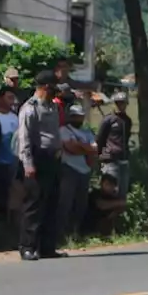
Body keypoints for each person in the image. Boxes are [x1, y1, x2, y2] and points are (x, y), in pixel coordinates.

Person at [15, 70, 63, 261]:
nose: (55, 93)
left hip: (53, 159)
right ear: (44, 87)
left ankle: (47, 247)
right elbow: (24, 138)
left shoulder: (52, 107)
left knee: (51, 203)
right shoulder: (30, 108)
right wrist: (28, 164)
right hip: (36, 159)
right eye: (52, 88)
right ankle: (27, 246)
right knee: (33, 205)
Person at [57, 103, 96, 244]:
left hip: (84, 170)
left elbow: (94, 149)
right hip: (69, 168)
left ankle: (75, 232)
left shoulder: (87, 132)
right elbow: (70, 148)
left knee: (81, 204)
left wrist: (80, 146)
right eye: (75, 116)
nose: (78, 119)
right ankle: (61, 234)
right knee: (65, 203)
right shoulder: (64, 130)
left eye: (80, 117)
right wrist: (85, 148)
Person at [96, 91, 133, 199]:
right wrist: (103, 158)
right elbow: (100, 139)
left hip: (124, 159)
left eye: (123, 103)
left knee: (122, 191)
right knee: (109, 191)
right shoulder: (108, 120)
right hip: (111, 160)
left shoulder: (127, 120)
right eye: (118, 103)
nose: (120, 106)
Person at [0, 86, 20, 215]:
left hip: (12, 159)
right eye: (9, 97)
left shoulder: (15, 118)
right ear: (0, 98)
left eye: (13, 98)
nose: (12, 101)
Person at [82, 172, 127, 237]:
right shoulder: (95, 193)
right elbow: (101, 205)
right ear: (102, 184)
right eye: (107, 184)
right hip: (89, 224)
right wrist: (120, 203)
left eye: (111, 185)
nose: (109, 187)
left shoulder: (112, 197)